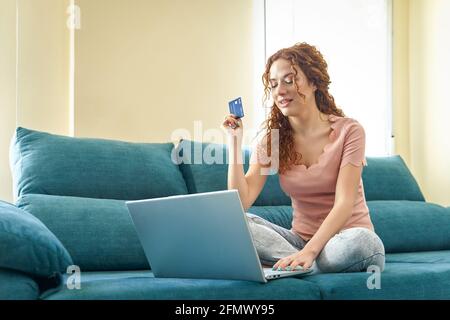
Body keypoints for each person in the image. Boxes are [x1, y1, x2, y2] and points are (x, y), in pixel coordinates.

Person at [222, 42, 385, 274]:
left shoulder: (350, 131)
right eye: (274, 84)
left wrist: (310, 252)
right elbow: (240, 203)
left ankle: (301, 264)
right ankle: (303, 266)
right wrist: (234, 142)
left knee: (365, 242)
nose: (280, 90)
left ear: (314, 82)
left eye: (289, 80)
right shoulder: (273, 142)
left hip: (345, 241)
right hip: (297, 243)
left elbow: (344, 203)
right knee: (235, 222)